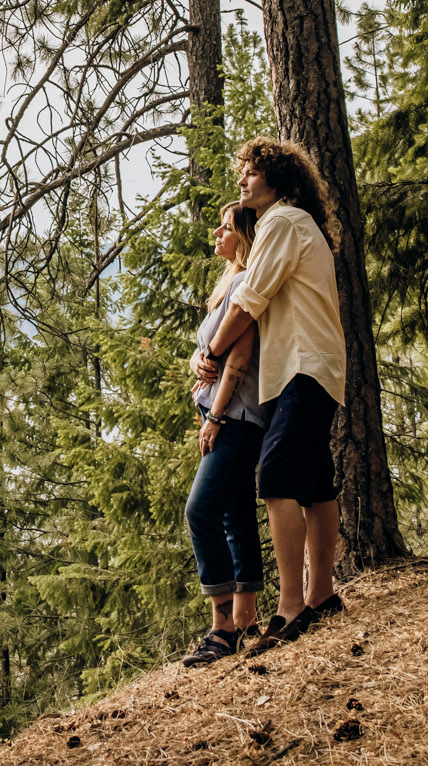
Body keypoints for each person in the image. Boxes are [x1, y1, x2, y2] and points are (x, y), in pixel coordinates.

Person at [194, 137, 347, 652]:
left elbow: (247, 303)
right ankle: (322, 595)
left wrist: (211, 355)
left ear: (278, 180)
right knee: (315, 479)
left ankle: (291, 607)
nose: (242, 180)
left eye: (251, 173)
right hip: (311, 365)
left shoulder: (281, 223)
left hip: (303, 365)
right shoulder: (295, 223)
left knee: (277, 474)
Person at [180, 200, 266, 667]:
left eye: (226, 226)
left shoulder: (246, 283)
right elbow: (211, 354)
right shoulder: (229, 283)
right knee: (235, 515)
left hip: (235, 417)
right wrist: (196, 359)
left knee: (202, 511)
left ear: (245, 237)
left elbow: (240, 354)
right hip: (228, 414)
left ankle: (222, 627)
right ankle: (246, 619)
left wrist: (215, 416)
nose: (217, 231)